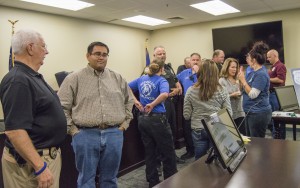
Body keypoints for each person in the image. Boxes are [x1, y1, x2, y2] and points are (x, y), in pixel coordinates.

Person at [57, 41, 134, 188]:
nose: (101, 58)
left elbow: (129, 101)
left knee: (110, 179)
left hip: (114, 134)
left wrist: (124, 125)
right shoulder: (74, 78)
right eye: (97, 54)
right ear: (88, 56)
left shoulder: (117, 78)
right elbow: (61, 107)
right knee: (86, 179)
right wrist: (73, 131)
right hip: (85, 135)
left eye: (105, 55)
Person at [0, 29, 67, 188]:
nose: (47, 51)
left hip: (43, 159)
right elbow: (15, 131)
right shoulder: (18, 81)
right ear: (30, 48)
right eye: (43, 46)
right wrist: (40, 167)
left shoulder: (31, 76)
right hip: (31, 165)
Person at [129, 59, 177, 188]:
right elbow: (165, 94)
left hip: (143, 119)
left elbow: (126, 87)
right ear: (162, 69)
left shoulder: (141, 79)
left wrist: (136, 101)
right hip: (157, 120)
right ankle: (170, 181)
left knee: (150, 152)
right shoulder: (162, 80)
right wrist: (153, 104)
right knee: (167, 152)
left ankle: (153, 181)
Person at [183, 59, 232, 160]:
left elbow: (186, 115)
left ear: (200, 72)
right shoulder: (222, 90)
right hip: (216, 128)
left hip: (198, 129)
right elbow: (229, 114)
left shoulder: (191, 90)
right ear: (216, 73)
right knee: (216, 161)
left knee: (200, 161)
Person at [153, 46, 184, 164]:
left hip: (171, 105)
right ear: (154, 56)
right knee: (161, 133)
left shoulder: (168, 68)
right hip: (160, 106)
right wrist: (172, 92)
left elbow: (175, 80)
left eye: (163, 53)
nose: (162, 55)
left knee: (172, 130)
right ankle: (160, 160)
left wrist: (178, 86)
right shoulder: (150, 69)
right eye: (159, 54)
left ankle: (172, 156)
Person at [238, 41, 272, 138]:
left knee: (257, 143)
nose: (247, 59)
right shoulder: (253, 72)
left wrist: (243, 80)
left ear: (254, 59)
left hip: (258, 113)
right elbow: (244, 89)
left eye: (249, 57)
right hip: (251, 111)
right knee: (251, 141)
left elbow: (253, 94)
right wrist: (241, 79)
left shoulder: (261, 74)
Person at [177, 53, 201, 160]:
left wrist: (196, 73)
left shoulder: (204, 72)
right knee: (187, 129)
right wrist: (177, 85)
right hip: (187, 105)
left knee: (199, 128)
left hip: (200, 105)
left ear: (200, 61)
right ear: (190, 61)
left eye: (197, 60)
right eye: (193, 60)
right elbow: (174, 79)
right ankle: (190, 151)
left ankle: (200, 150)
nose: (195, 62)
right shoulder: (184, 73)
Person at [219, 58, 246, 135]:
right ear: (227, 67)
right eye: (232, 67)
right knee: (232, 138)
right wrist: (231, 95)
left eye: (236, 67)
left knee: (244, 137)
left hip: (240, 112)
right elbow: (220, 98)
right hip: (229, 114)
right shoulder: (222, 81)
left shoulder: (239, 79)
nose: (235, 69)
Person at [267, 49, 287, 139]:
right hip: (271, 95)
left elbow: (280, 80)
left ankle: (280, 140)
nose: (268, 59)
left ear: (275, 56)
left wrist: (267, 78)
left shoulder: (280, 66)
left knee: (277, 118)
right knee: (273, 119)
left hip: (276, 95)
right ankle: (276, 139)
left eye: (269, 57)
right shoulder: (273, 67)